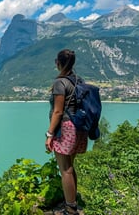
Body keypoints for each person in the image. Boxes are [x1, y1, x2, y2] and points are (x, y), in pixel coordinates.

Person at [45, 49, 88, 215]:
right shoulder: (78, 80)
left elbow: (58, 112)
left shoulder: (60, 83)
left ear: (58, 63)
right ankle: (73, 202)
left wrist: (49, 134)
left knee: (65, 169)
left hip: (65, 130)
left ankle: (70, 209)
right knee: (70, 166)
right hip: (79, 128)